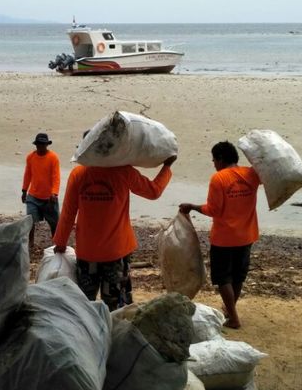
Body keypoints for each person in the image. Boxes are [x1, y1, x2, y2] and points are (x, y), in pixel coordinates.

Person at [53, 147, 177, 312]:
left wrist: (61, 242)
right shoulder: (123, 172)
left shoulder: (78, 174)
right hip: (116, 253)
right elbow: (153, 191)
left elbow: (68, 212)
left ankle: (88, 335)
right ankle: (114, 335)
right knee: (116, 308)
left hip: (87, 253)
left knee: (84, 305)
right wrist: (166, 167)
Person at [179, 141, 261, 329]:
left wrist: (192, 207)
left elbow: (213, 210)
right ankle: (229, 310)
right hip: (247, 235)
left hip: (224, 238)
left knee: (224, 278)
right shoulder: (252, 175)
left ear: (221, 159)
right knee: (238, 276)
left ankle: (233, 318)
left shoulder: (219, 179)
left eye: (214, 160)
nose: (214, 163)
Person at [21, 132, 61, 249]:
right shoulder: (31, 157)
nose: (41, 147)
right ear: (36, 145)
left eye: (43, 144)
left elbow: (56, 177)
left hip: (49, 198)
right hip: (33, 196)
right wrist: (24, 190)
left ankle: (56, 242)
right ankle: (31, 242)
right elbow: (27, 175)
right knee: (30, 220)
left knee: (55, 223)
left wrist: (54, 193)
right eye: (39, 144)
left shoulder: (53, 158)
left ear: (47, 145)